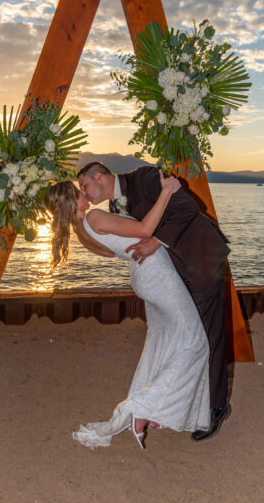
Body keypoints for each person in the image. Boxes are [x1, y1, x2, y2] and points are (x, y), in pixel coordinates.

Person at [45, 173, 211, 449]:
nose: (84, 191)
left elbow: (120, 247)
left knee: (166, 344)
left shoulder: (82, 229)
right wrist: (167, 191)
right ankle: (144, 408)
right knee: (196, 343)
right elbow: (145, 231)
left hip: (146, 275)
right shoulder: (93, 219)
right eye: (79, 189)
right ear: (71, 198)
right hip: (158, 276)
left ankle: (155, 410)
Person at [77, 162, 231, 442]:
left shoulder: (145, 177)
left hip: (200, 257)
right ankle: (181, 405)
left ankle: (216, 407)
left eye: (84, 185)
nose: (85, 193)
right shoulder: (113, 209)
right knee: (183, 336)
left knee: (207, 334)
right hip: (173, 272)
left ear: (98, 176)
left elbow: (186, 208)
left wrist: (156, 242)